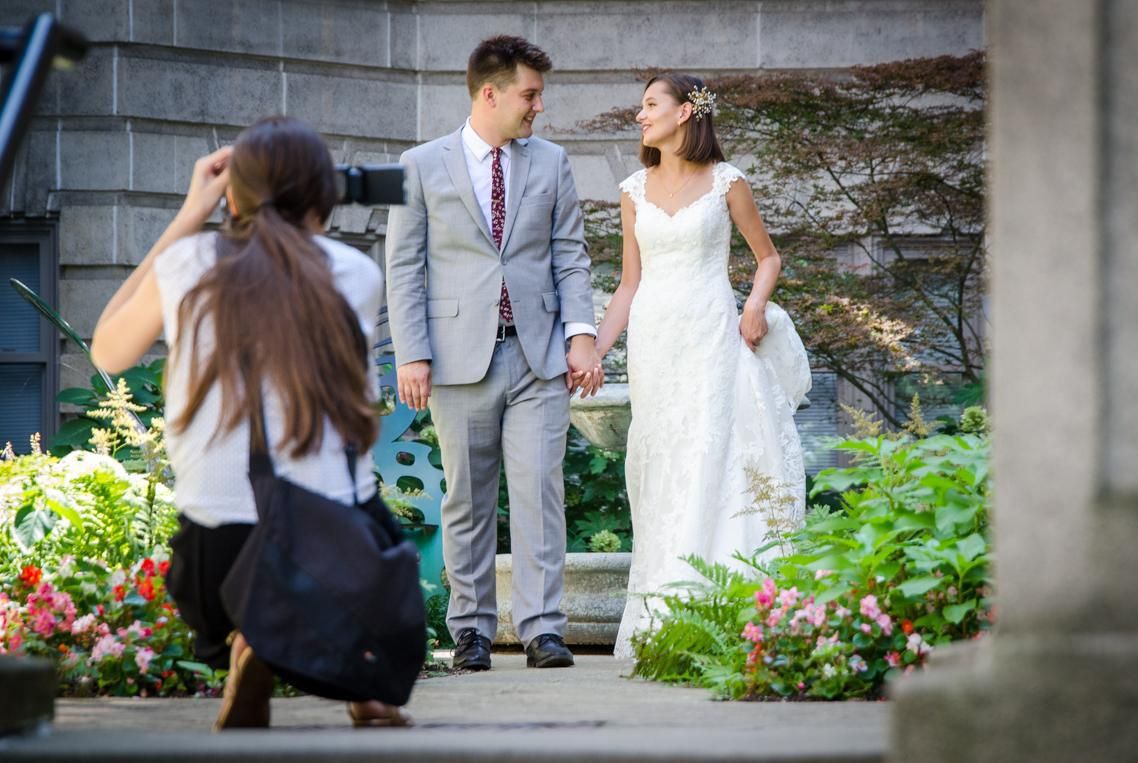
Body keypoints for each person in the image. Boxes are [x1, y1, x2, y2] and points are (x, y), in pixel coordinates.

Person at [90, 117, 410, 728]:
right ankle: (362, 679)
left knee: (236, 576)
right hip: (326, 551)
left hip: (216, 563)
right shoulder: (354, 274)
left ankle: (244, 640)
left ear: (233, 194)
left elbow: (106, 350)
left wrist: (190, 213)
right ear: (324, 194)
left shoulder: (189, 264)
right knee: (366, 532)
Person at [385, 35, 602, 671]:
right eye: (530, 95)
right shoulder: (420, 165)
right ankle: (472, 632)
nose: (539, 107)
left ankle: (542, 630)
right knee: (468, 500)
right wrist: (411, 354)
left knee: (541, 491)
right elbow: (405, 266)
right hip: (455, 359)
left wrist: (581, 335)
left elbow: (569, 254)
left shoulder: (552, 162)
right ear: (491, 93)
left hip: (539, 357)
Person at [594, 75, 812, 659]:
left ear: (686, 112)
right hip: (655, 345)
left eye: (650, 105)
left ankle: (727, 610)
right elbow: (627, 283)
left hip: (713, 337)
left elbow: (768, 257)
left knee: (712, 459)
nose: (639, 115)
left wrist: (755, 305)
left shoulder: (726, 182)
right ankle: (665, 616)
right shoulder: (633, 189)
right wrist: (594, 348)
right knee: (662, 467)